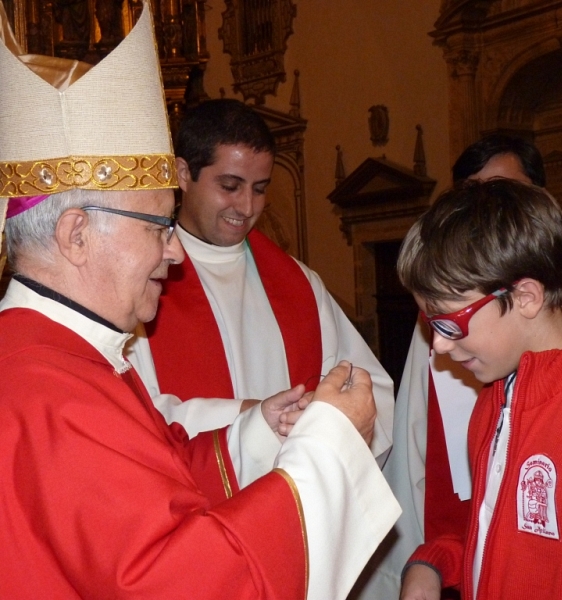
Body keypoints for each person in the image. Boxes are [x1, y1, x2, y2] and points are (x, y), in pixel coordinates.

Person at [0, 3, 401, 598]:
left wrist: (259, 430)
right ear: (76, 234)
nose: (176, 253)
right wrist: (331, 445)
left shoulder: (59, 360)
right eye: (158, 228)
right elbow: (192, 581)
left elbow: (156, 481)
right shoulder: (51, 392)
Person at [354, 134, 562, 599]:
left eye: (451, 323)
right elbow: (498, 533)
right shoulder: (493, 402)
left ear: (525, 297)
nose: (441, 348)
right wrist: (433, 563)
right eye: (432, 324)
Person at [127, 98, 395, 461]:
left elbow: (371, 391)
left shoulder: (299, 283)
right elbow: (130, 414)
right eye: (230, 186)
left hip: (298, 501)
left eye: (259, 188)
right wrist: (251, 416)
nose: (247, 208)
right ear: (183, 174)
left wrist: (329, 416)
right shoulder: (140, 280)